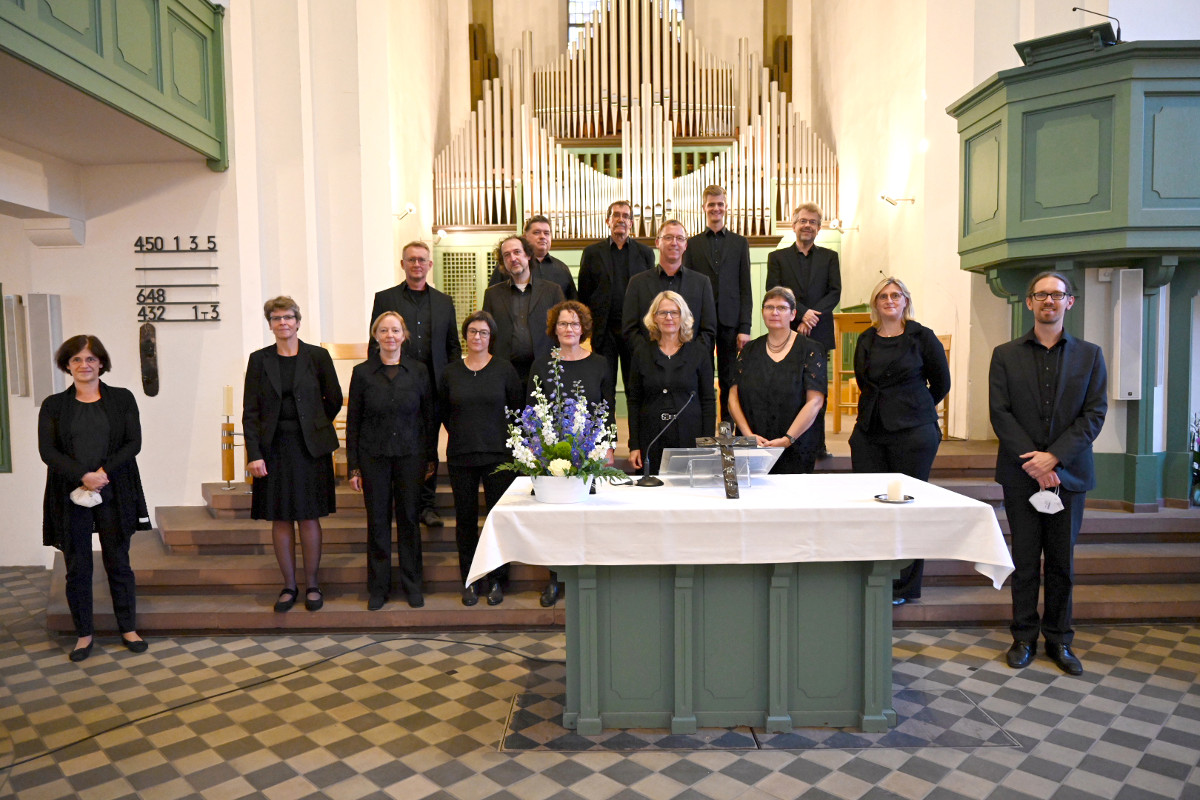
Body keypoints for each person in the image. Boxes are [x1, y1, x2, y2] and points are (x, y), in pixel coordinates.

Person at [990, 271, 1107, 676]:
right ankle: (1023, 637)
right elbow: (1000, 414)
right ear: (1029, 303)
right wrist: (1034, 462)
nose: (1049, 302)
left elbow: (1094, 414)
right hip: (1021, 475)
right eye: (1041, 295)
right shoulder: (1005, 354)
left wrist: (1053, 458)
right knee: (1024, 561)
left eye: (1057, 295)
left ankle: (1059, 640)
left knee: (1061, 563)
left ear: (1069, 302)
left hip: (1069, 476)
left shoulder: (1090, 355)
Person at [39, 335, 152, 662]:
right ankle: (84, 635)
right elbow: (48, 451)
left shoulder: (122, 399)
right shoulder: (54, 405)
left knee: (119, 561)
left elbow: (133, 443)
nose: (84, 365)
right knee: (78, 566)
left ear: (101, 362)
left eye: (90, 359)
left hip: (115, 488)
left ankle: (128, 629)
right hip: (70, 492)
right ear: (67, 365)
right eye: (76, 360)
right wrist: (83, 476)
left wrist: (102, 474)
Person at [849, 277, 951, 606]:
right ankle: (875, 576)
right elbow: (864, 382)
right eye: (883, 296)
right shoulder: (866, 338)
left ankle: (905, 585)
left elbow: (941, 382)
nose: (890, 300)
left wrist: (916, 409)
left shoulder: (922, 337)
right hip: (871, 431)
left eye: (896, 295)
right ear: (875, 303)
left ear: (905, 300)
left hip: (913, 433)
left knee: (909, 507)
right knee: (871, 507)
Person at [243, 297, 342, 615]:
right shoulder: (259, 360)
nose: (283, 323)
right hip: (273, 449)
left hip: (309, 448)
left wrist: (313, 425)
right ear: (269, 324)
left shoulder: (318, 356)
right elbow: (250, 411)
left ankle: (312, 584)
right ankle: (289, 586)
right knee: (281, 517)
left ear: (298, 322)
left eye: (288, 317)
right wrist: (255, 453)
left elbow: (334, 399)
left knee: (309, 515)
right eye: (276, 318)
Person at [348, 312, 437, 610]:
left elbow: (429, 418)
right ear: (375, 336)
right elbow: (353, 423)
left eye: (395, 330)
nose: (390, 335)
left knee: (410, 520)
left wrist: (430, 458)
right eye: (384, 330)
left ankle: (413, 585)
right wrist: (353, 466)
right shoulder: (362, 373)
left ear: (404, 335)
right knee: (378, 522)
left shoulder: (419, 371)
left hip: (411, 455)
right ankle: (379, 588)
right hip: (374, 457)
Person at [528, 300, 615, 608]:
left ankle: (587, 577)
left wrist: (609, 447)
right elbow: (533, 411)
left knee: (587, 517)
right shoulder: (542, 365)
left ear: (583, 329)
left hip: (589, 453)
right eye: (563, 324)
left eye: (575, 324)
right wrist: (536, 449)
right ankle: (554, 579)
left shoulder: (600, 363)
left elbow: (607, 411)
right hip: (551, 454)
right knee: (555, 521)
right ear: (555, 329)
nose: (569, 329)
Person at [370, 241, 461, 528]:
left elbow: (453, 346)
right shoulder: (385, 299)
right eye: (411, 260)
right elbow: (376, 342)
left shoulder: (444, 302)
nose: (417, 265)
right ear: (403, 264)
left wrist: (452, 382)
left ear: (430, 264)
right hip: (396, 386)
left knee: (428, 446)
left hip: (433, 385)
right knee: (398, 444)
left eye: (422, 260)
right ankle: (399, 501)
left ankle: (426, 504)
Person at [439, 311, 522, 607]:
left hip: (498, 455)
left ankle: (498, 579)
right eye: (473, 331)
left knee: (496, 521)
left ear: (491, 337)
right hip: (461, 455)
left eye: (483, 332)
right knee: (465, 521)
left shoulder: (504, 370)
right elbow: (445, 413)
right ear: (465, 335)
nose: (477, 337)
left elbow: (516, 411)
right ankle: (471, 580)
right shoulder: (450, 373)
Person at [765, 203, 841, 458]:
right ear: (794, 224)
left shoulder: (830, 257)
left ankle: (818, 445)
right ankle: (791, 441)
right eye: (803, 221)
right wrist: (802, 313)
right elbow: (774, 290)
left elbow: (834, 292)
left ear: (819, 228)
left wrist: (811, 317)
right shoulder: (777, 257)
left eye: (813, 222)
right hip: (788, 331)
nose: (807, 225)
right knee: (792, 390)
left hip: (818, 332)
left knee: (817, 391)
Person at [728, 287, 827, 474]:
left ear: (793, 314)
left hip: (796, 445)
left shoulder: (811, 349)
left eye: (781, 308)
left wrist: (788, 439)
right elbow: (733, 397)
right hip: (753, 446)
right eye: (769, 307)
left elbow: (815, 401)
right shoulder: (749, 350)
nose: (774, 312)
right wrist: (748, 436)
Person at [626, 291, 716, 475]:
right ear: (654, 318)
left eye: (674, 312)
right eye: (663, 313)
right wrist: (634, 445)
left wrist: (707, 444)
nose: (669, 317)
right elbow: (634, 401)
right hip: (651, 437)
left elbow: (708, 400)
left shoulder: (699, 352)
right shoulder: (641, 353)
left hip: (689, 436)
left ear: (683, 316)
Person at [682, 185, 752, 419]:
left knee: (728, 378)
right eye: (711, 204)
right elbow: (687, 286)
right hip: (700, 321)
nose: (716, 208)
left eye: (720, 204)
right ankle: (704, 426)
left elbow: (745, 287)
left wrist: (745, 327)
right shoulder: (691, 244)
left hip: (730, 321)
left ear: (726, 207)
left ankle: (726, 429)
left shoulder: (740, 243)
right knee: (702, 375)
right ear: (704, 207)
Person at [578, 200, 655, 390]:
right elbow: (584, 294)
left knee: (636, 386)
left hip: (635, 331)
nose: (621, 219)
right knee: (604, 386)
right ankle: (606, 421)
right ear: (607, 221)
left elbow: (651, 294)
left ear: (631, 223)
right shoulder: (591, 253)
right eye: (616, 215)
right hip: (604, 332)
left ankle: (637, 422)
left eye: (626, 216)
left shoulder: (645, 253)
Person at [622, 219, 717, 354]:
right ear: (657, 243)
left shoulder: (701, 283)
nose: (674, 243)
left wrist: (690, 357)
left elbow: (708, 330)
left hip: (691, 366)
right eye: (668, 237)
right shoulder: (637, 283)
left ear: (685, 245)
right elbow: (630, 330)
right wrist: (649, 355)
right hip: (649, 365)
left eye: (679, 238)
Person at [483, 235, 565, 385]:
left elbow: (563, 329)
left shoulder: (552, 291)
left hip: (544, 370)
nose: (512, 258)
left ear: (528, 255)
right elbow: (487, 334)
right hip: (504, 373)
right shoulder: (492, 294)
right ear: (503, 262)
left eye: (517, 252)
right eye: (506, 255)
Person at [489, 216, 577, 300]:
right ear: (524, 237)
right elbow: (494, 299)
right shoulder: (509, 265)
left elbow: (572, 303)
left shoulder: (562, 268)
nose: (543, 237)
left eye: (547, 233)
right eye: (537, 232)